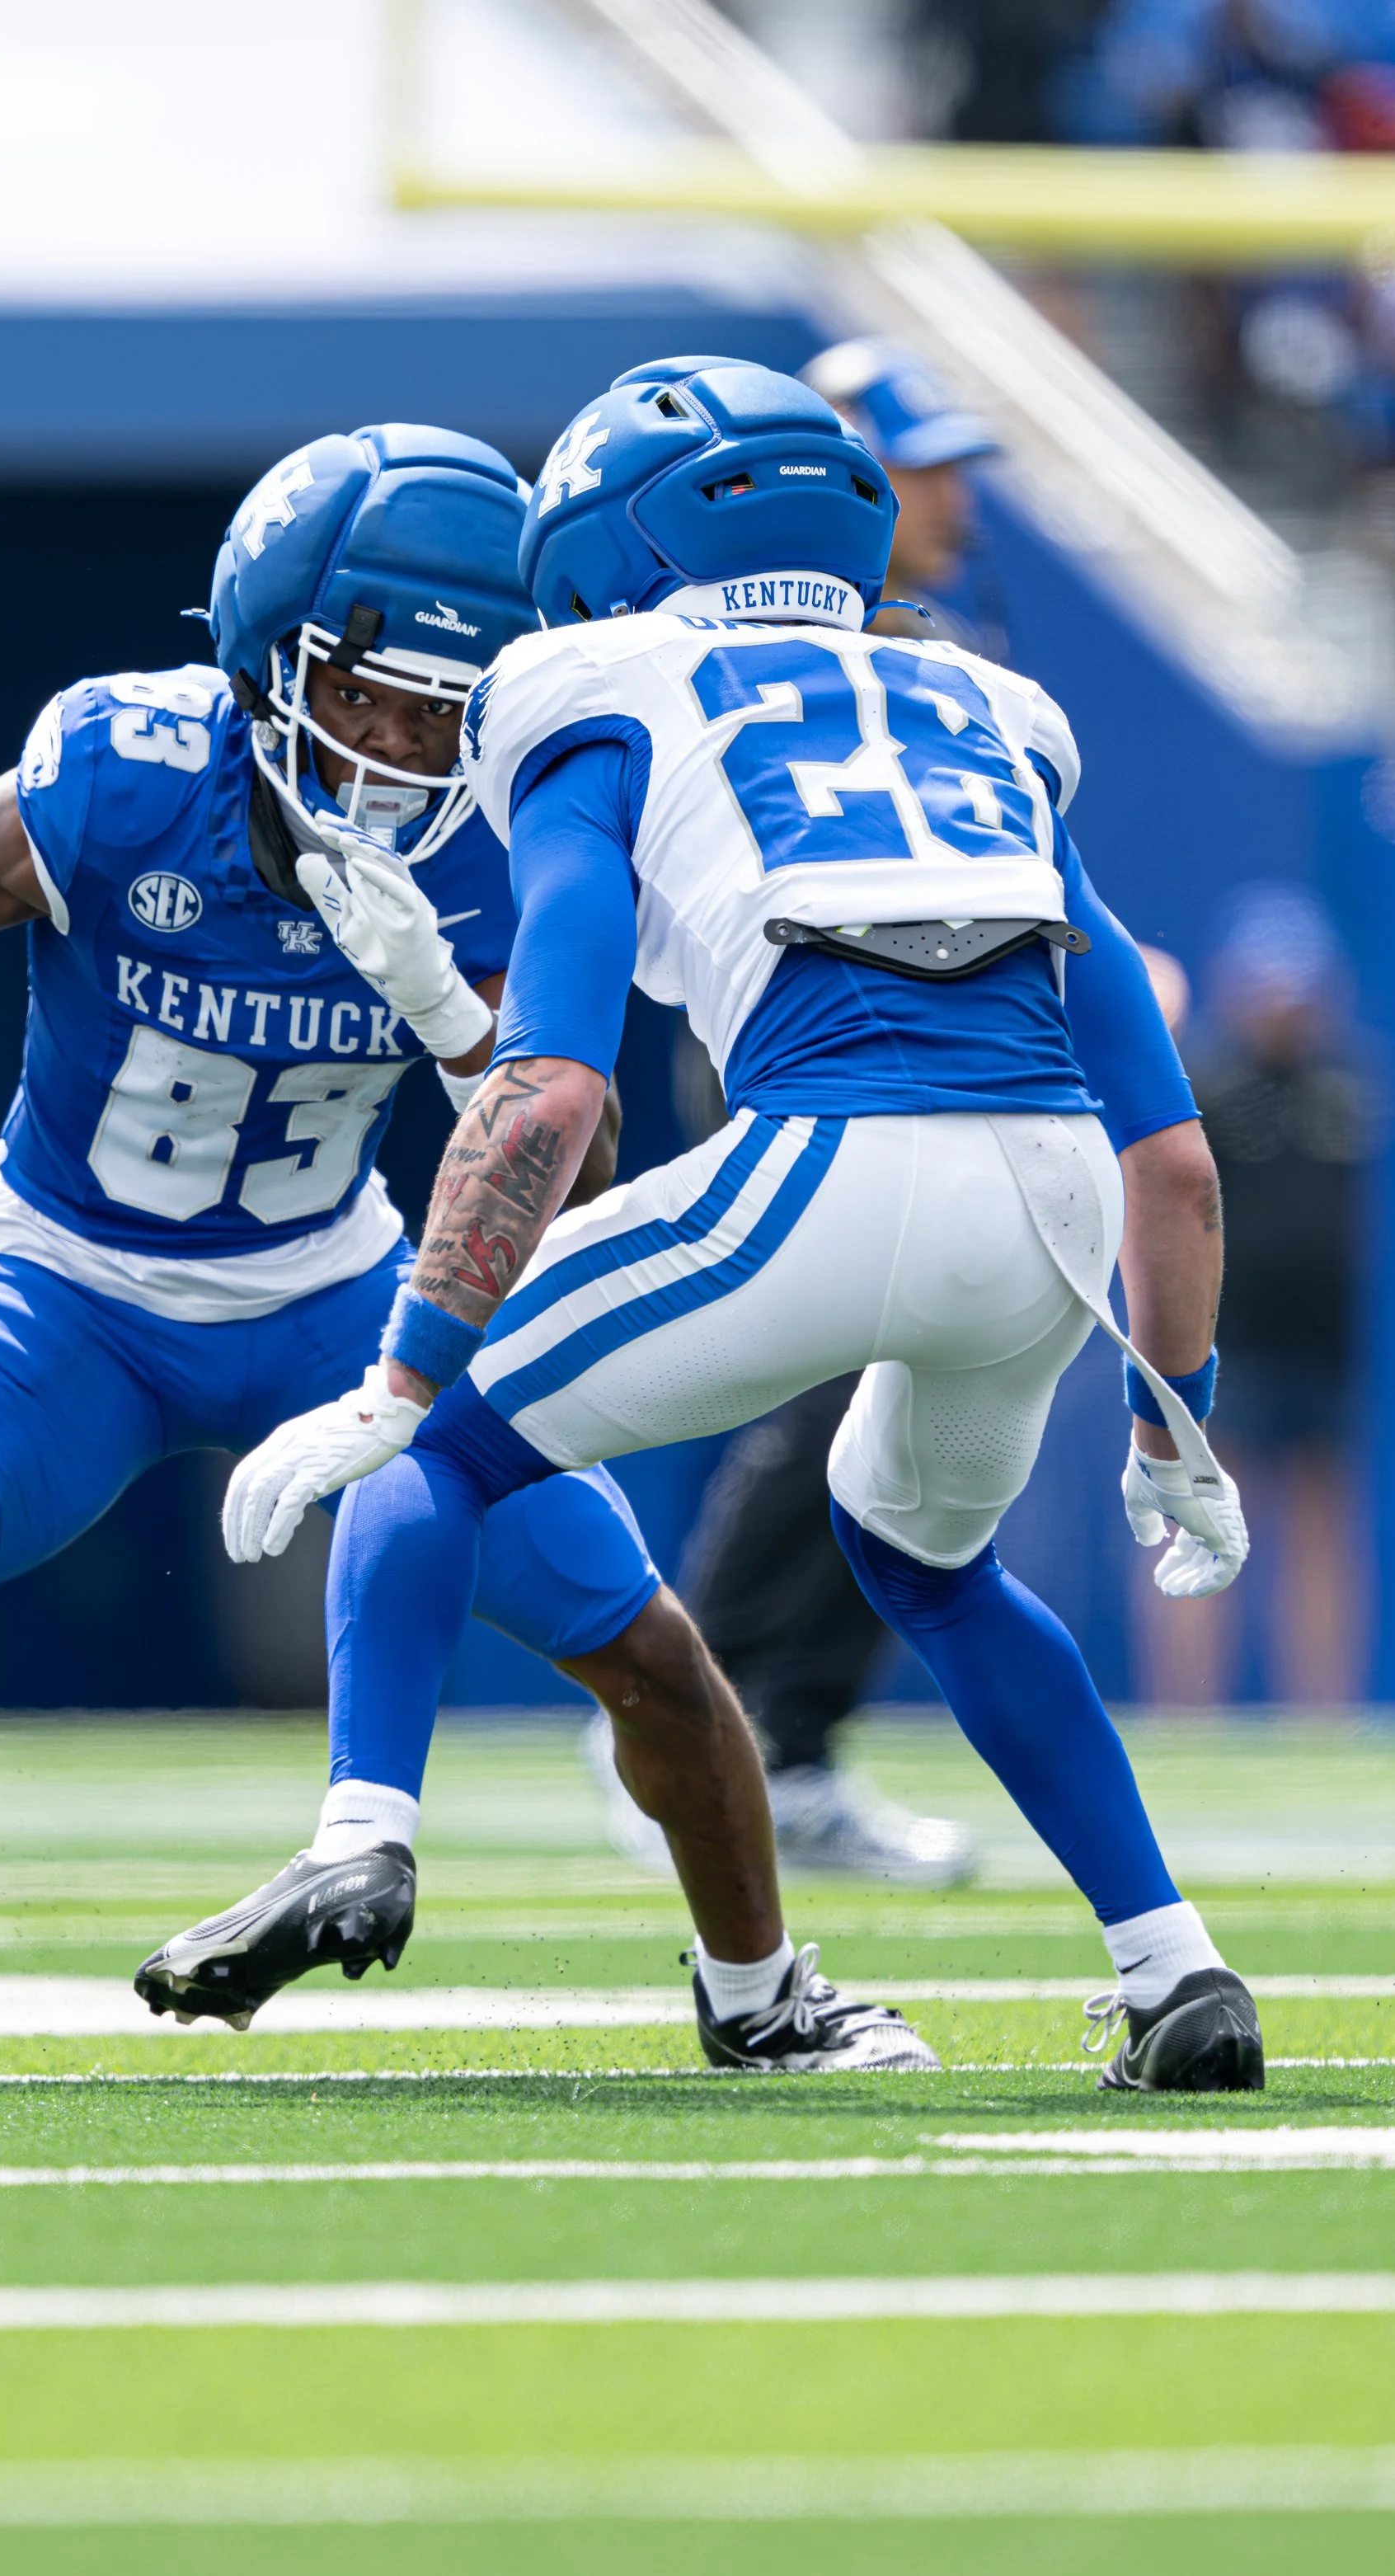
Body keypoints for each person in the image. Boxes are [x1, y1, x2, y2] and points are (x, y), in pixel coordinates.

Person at [0, 424, 931, 2077]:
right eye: (365, 693)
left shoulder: (505, 835)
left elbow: (569, 1172)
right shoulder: (127, 769)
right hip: (66, 1286)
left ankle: (759, 1994)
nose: (406, 743)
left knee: (647, 1651)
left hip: (332, 1298)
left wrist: (439, 1007)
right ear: (269, 647)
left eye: (446, 705)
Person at [223, 356, 1266, 2095]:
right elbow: (1175, 1159)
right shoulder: (981, 709)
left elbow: (547, 1089)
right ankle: (1173, 1964)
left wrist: (397, 1371)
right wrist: (1173, 1416)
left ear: (604, 547)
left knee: (437, 1454)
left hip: (833, 1160)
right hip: (1054, 1203)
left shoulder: (589, 685)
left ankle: (359, 1831)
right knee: (925, 1560)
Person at [586, 341, 1001, 1887]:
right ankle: (707, 1705)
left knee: (892, 1375)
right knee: (830, 1372)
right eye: (926, 465)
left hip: (915, 1030)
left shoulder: (938, 632)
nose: (953, 498)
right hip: (792, 1012)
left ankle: (786, 1727)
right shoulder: (742, 636)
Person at [1153, 881, 1379, 1705]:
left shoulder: (1348, 1090)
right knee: (1199, 1521)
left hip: (1321, 1345)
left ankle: (1322, 1716)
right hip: (1222, 1343)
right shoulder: (1201, 1088)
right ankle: (1186, 1716)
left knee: (1321, 1523)